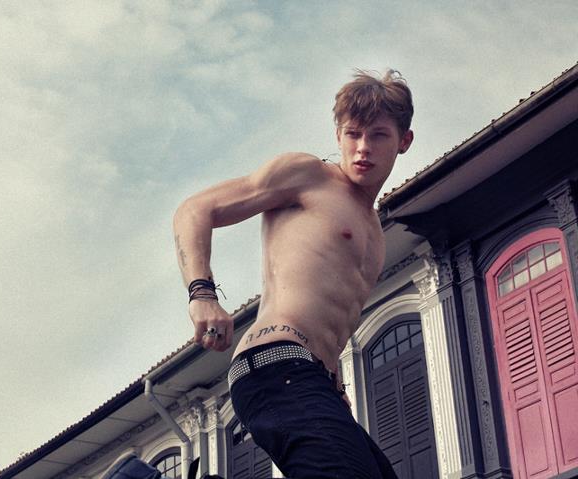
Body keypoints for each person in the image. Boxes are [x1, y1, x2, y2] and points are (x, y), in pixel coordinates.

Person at [172, 70, 414, 478]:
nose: (363, 148)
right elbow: (195, 209)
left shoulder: (374, 232)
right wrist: (202, 293)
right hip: (274, 364)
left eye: (378, 136)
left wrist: (334, 385)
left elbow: (328, 313)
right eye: (353, 134)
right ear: (338, 135)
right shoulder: (310, 177)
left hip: (311, 379)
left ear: (403, 141)